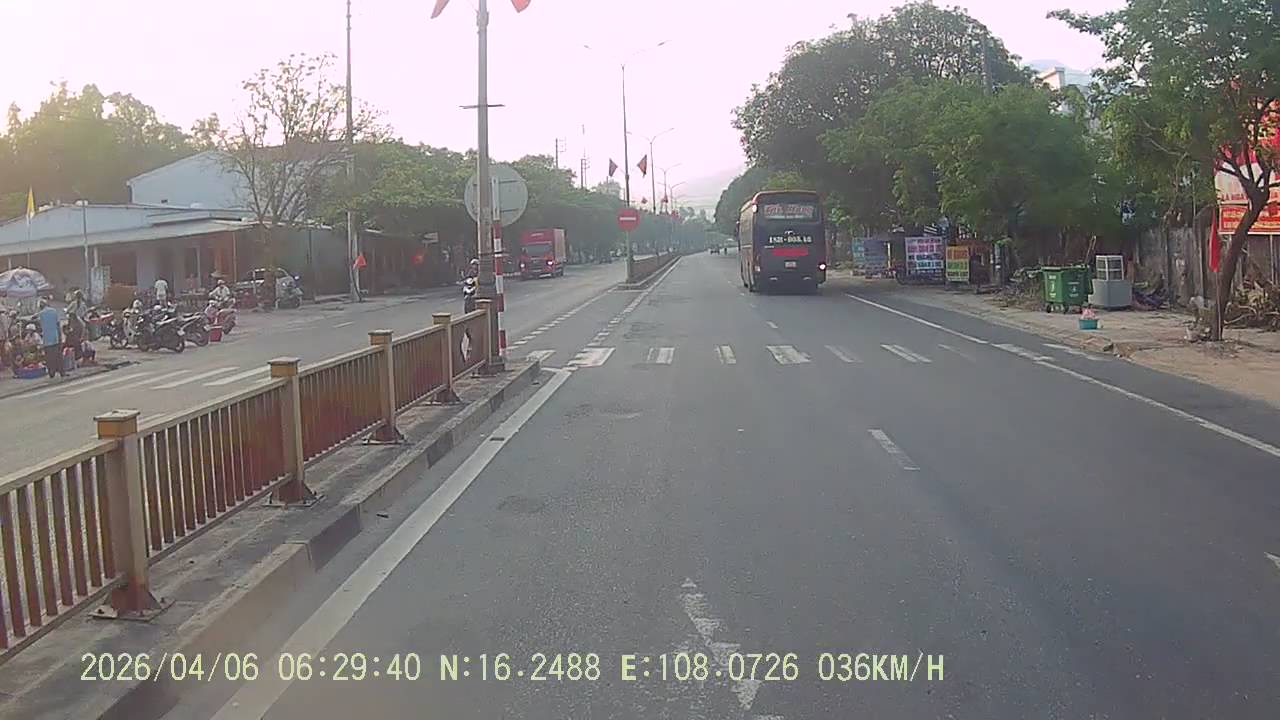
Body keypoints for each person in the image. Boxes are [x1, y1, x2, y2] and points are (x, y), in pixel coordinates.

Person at [36, 298, 66, 378]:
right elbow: (58, 325)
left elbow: (40, 326)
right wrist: (60, 337)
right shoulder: (54, 311)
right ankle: (62, 372)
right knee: (58, 356)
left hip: (47, 340)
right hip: (55, 338)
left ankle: (51, 373)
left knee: (49, 358)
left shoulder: (40, 314)